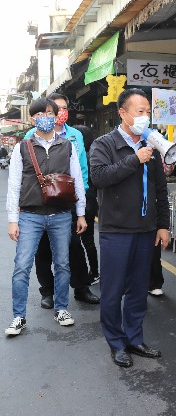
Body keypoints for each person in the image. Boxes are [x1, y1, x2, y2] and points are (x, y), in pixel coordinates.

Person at [90, 88, 170, 367]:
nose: (145, 116)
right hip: (116, 230)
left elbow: (160, 188)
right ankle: (116, 342)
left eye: (148, 111)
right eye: (140, 111)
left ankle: (134, 338)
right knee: (112, 291)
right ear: (122, 113)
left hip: (146, 230)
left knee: (138, 290)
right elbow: (99, 177)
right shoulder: (105, 144)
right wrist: (134, 159)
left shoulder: (152, 144)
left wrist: (163, 225)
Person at [5, 97, 87, 336]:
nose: (45, 118)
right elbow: (14, 184)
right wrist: (13, 219)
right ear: (33, 119)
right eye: (39, 115)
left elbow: (77, 181)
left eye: (49, 113)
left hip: (61, 214)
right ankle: (18, 317)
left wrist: (80, 214)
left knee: (62, 264)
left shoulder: (68, 146)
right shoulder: (23, 147)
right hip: (30, 216)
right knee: (21, 266)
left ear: (56, 115)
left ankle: (61, 308)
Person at [24, 93, 98, 307]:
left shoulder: (75, 135)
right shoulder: (31, 135)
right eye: (54, 108)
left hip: (69, 200)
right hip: (41, 202)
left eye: (64, 108)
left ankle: (81, 288)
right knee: (43, 248)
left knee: (75, 246)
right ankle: (48, 291)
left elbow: (82, 168)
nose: (59, 112)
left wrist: (80, 198)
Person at [74, 124, 100, 285]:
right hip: (90, 201)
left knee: (81, 241)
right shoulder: (93, 154)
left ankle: (90, 273)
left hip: (84, 202)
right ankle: (94, 272)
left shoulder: (82, 157)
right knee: (88, 241)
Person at [148, 161, 176, 297]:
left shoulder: (154, 152)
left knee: (153, 251)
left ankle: (155, 283)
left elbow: (161, 191)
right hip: (126, 216)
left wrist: (163, 225)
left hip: (150, 214)